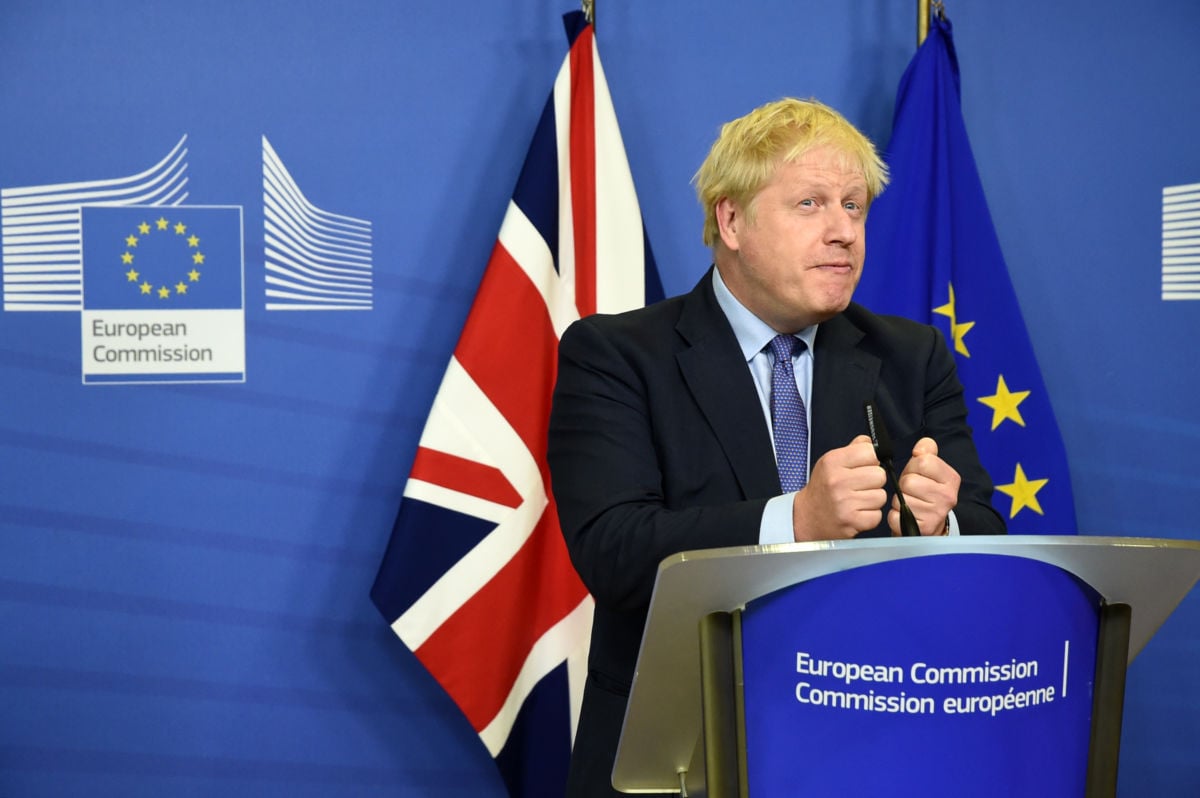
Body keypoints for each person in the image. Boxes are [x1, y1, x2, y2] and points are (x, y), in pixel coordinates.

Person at [547, 97, 1007, 798]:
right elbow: (615, 550)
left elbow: (982, 521)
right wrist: (796, 523)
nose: (843, 233)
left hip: (867, 746)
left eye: (854, 207)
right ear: (731, 220)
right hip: (680, 754)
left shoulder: (910, 357)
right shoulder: (617, 355)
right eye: (811, 204)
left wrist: (942, 521)